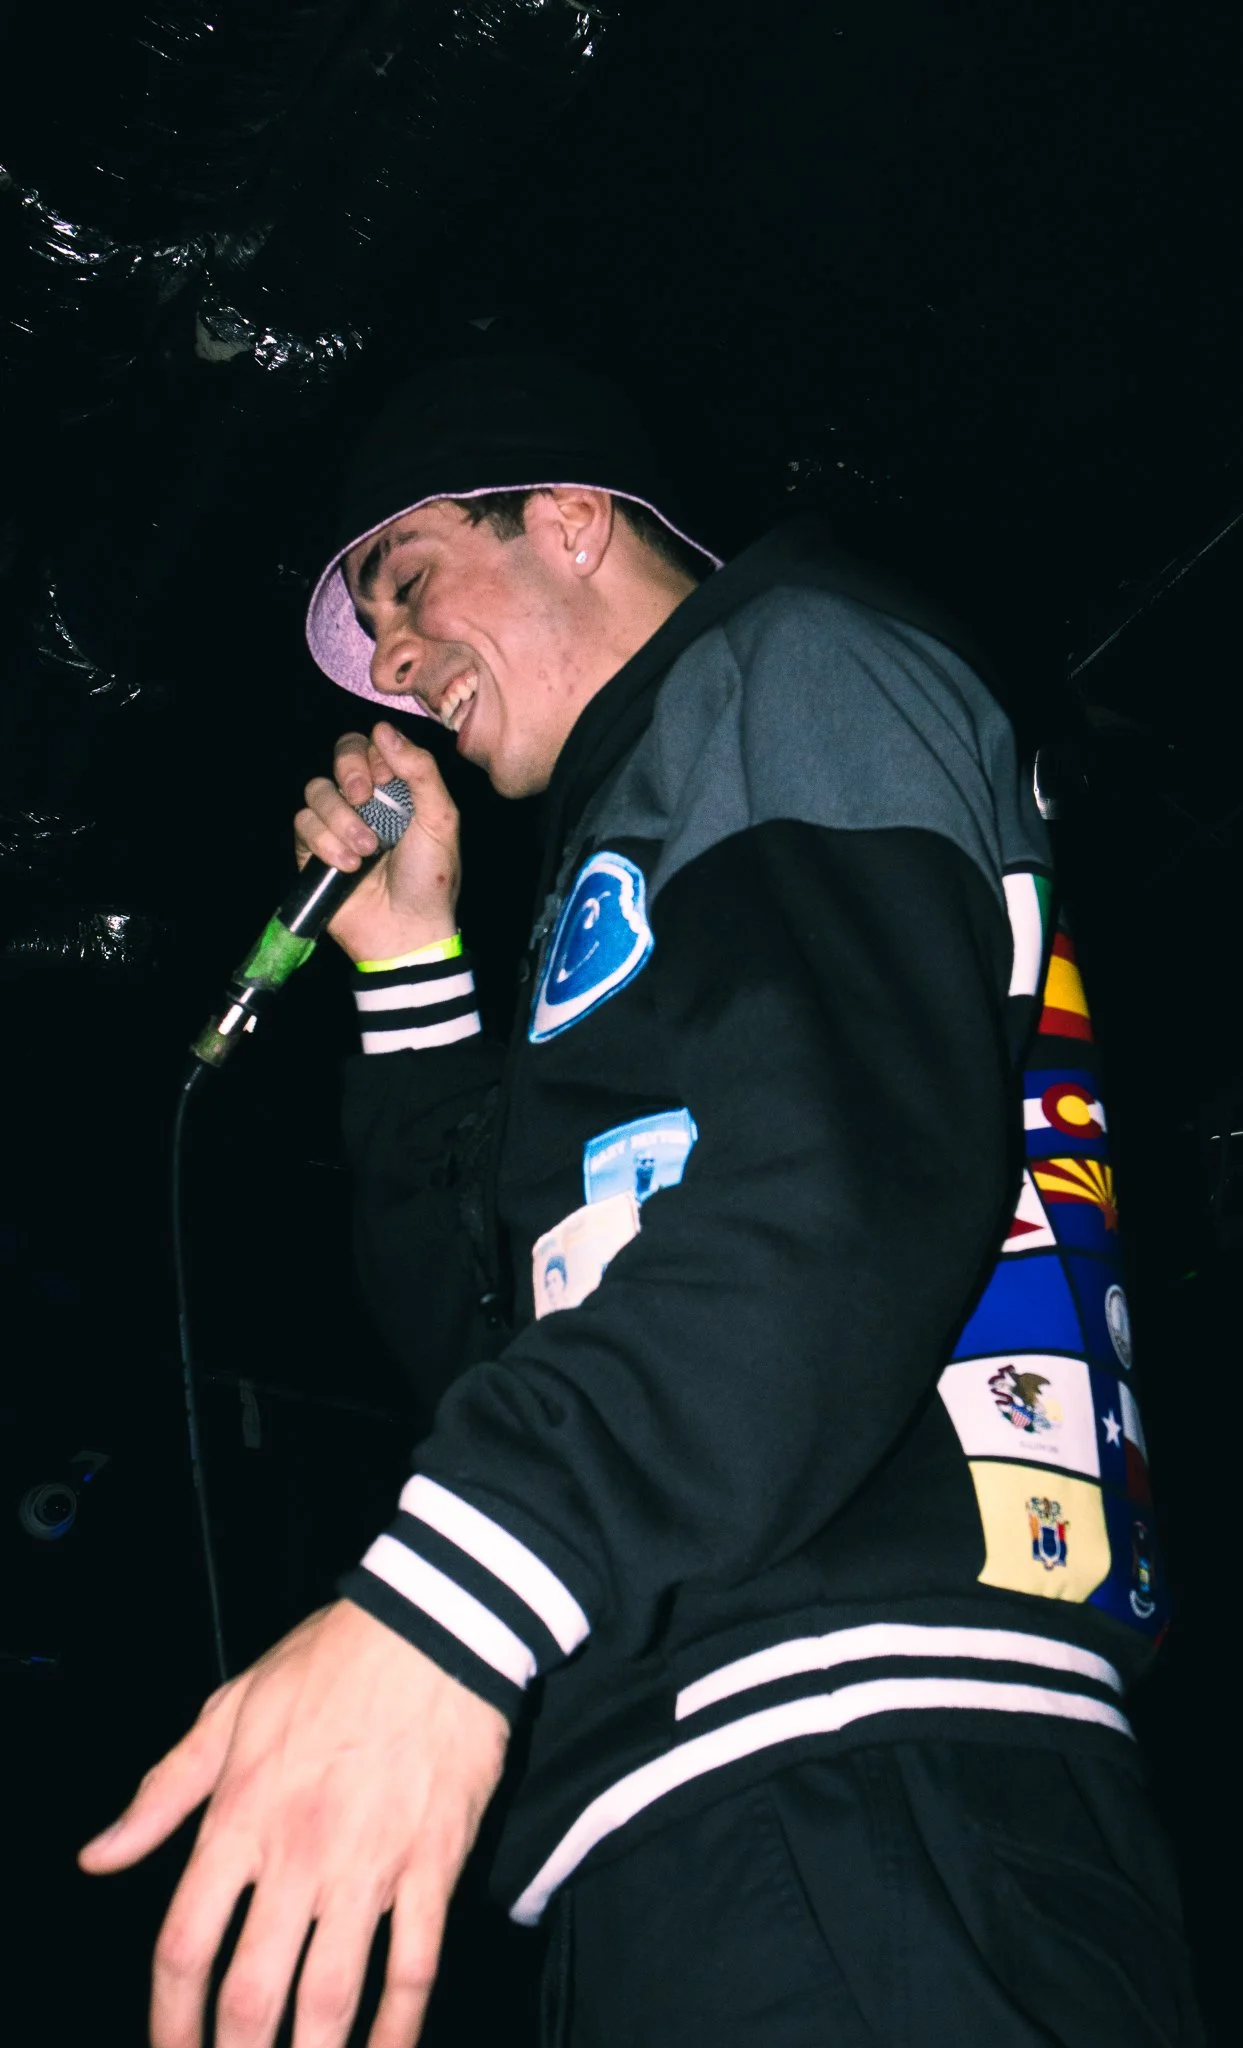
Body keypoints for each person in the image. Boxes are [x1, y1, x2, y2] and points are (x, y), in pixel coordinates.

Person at [78, 355, 1204, 2048]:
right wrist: (411, 976)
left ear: (569, 520)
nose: (392, 661)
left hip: (854, 1753)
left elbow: (840, 1179)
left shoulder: (794, 656)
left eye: (409, 584)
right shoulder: (631, 837)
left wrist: (445, 1606)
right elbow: (488, 1336)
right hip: (681, 1786)